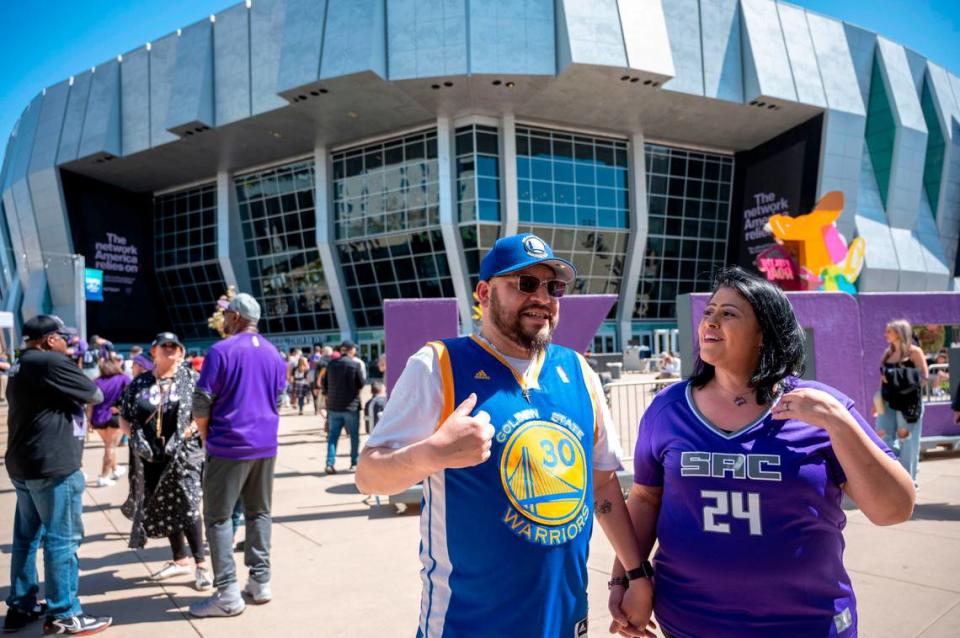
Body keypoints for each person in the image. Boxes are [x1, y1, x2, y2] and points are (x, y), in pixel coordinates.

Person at [356, 233, 652, 637]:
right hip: (470, 623)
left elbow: (601, 485)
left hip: (564, 618)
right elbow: (368, 475)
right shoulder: (438, 365)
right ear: (484, 292)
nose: (543, 298)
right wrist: (433, 454)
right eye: (525, 284)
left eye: (554, 287)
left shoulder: (579, 372)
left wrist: (633, 574)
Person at [613, 266, 915, 638]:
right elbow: (644, 498)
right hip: (690, 623)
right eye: (709, 311)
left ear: (763, 334)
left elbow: (895, 509)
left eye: (729, 313)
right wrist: (625, 580)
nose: (711, 320)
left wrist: (840, 424)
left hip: (807, 625)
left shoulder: (821, 407)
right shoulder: (668, 409)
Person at [4, 315, 112, 635]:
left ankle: (21, 605)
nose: (70, 343)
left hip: (24, 464)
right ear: (51, 339)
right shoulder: (51, 361)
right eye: (65, 337)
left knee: (26, 538)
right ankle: (64, 612)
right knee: (62, 539)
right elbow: (95, 394)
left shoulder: (21, 363)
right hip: (52, 465)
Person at [190, 293, 286, 618]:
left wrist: (205, 437)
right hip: (265, 444)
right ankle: (260, 581)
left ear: (234, 317)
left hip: (229, 444)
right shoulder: (274, 354)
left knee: (218, 517)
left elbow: (201, 402)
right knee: (259, 512)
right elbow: (279, 398)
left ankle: (228, 592)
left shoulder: (221, 351)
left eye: (226, 315)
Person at [119, 332, 210, 591]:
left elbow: (204, 413)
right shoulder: (140, 383)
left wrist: (187, 433)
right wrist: (136, 438)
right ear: (154, 351)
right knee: (164, 502)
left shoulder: (190, 379)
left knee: (189, 504)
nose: (169, 350)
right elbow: (124, 417)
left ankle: (201, 565)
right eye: (164, 346)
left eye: (174, 346)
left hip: (184, 454)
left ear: (181, 352)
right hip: (150, 457)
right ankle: (180, 560)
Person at [875, 319, 929, 485]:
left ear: (899, 333)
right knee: (881, 433)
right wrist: (877, 401)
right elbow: (882, 381)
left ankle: (908, 480)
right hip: (887, 401)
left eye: (889, 331)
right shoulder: (887, 354)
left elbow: (924, 377)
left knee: (907, 439)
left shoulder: (914, 352)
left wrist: (900, 381)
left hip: (908, 402)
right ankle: (893, 473)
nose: (885, 334)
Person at [322, 340, 365, 473]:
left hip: (334, 407)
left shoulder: (331, 364)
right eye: (354, 349)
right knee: (354, 436)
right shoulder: (355, 364)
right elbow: (361, 383)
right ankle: (354, 463)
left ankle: (329, 463)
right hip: (351, 407)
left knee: (333, 436)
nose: (355, 351)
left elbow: (324, 384)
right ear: (350, 350)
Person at [89, 358, 131, 487]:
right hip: (114, 415)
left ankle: (116, 469)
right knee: (110, 447)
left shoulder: (95, 382)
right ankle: (103, 476)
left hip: (97, 417)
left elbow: (90, 403)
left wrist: (88, 420)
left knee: (108, 445)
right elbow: (131, 395)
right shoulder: (123, 378)